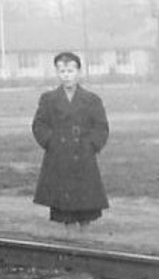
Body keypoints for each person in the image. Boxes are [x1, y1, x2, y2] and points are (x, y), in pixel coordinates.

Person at [31, 51, 111, 231]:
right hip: (60, 158)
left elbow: (101, 126)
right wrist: (51, 142)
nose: (66, 76)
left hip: (84, 158)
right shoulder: (49, 99)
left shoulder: (91, 99)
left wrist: (92, 145)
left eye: (70, 71)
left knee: (86, 208)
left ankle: (85, 242)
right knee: (65, 210)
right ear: (57, 73)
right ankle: (70, 241)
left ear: (79, 72)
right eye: (62, 71)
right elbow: (39, 125)